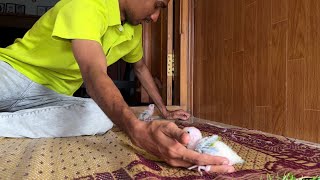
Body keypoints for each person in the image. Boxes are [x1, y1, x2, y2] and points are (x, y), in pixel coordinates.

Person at [0, 0, 235, 173]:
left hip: (51, 97)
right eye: (157, 5)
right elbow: (93, 72)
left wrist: (164, 111)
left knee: (99, 117)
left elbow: (141, 68)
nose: (155, 17)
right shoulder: (87, 5)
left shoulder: (133, 31)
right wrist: (136, 128)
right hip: (12, 74)